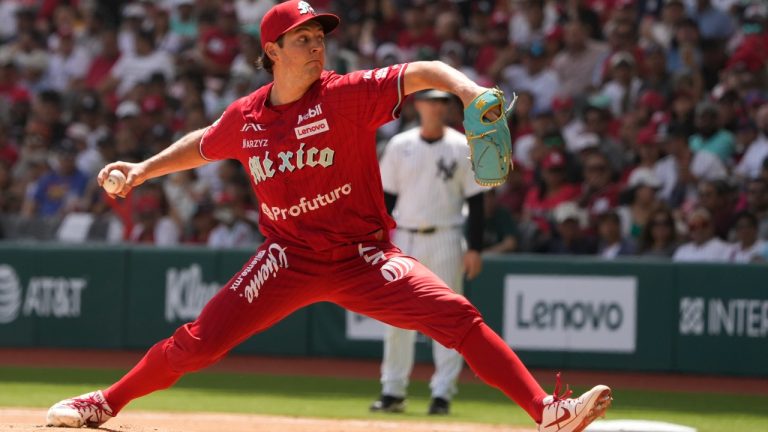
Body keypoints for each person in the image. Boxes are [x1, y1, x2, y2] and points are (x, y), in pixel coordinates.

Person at [46, 2, 611, 432]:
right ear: (272, 50)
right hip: (286, 258)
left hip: (364, 258)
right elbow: (206, 143)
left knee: (457, 315)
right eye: (304, 38)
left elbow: (425, 69)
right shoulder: (246, 117)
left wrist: (467, 92)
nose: (318, 47)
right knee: (198, 344)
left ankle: (547, 411)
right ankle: (102, 403)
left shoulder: (345, 96)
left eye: (320, 37)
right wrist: (142, 169)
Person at [372, 89, 486, 415]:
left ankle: (442, 393)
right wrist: (377, 241)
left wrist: (475, 247)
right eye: (430, 100)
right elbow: (386, 200)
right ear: (418, 104)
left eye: (442, 102)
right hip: (405, 237)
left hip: (447, 236)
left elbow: (476, 201)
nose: (436, 106)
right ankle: (392, 390)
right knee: (395, 316)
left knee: (449, 317)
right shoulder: (399, 145)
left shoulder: (462, 145)